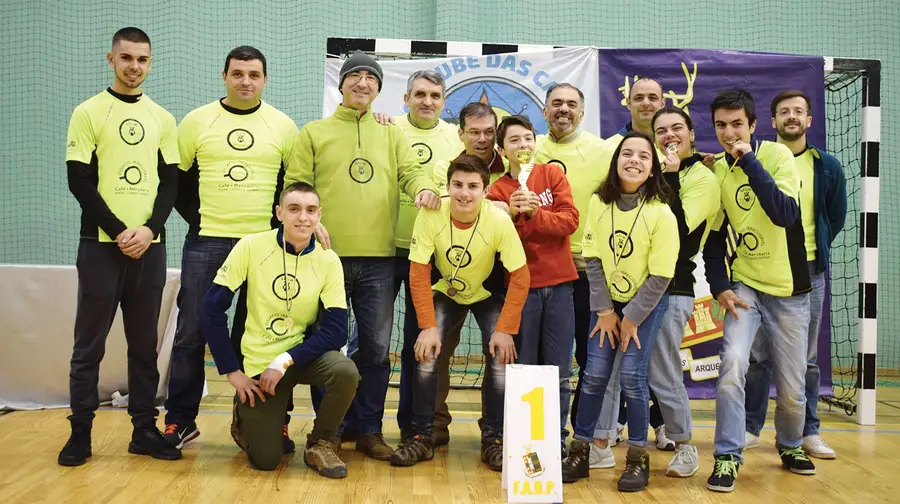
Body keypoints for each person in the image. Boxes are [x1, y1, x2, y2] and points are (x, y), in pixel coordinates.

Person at [285, 51, 440, 461]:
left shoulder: (391, 133)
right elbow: (296, 185)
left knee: (374, 349)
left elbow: (411, 172)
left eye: (371, 78)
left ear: (378, 88)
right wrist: (307, 221)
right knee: (325, 349)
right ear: (341, 84)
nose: (363, 83)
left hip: (378, 262)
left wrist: (423, 188)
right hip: (324, 259)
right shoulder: (313, 132)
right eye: (354, 76)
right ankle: (328, 431)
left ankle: (370, 430)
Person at [164, 46, 302, 452]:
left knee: (263, 336)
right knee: (191, 332)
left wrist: (274, 231)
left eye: (254, 74)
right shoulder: (196, 121)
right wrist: (200, 219)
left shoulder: (282, 126)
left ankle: (264, 423)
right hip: (206, 242)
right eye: (238, 73)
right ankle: (180, 422)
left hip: (263, 246)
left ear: (265, 79)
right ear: (224, 75)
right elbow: (177, 181)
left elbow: (289, 188)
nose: (246, 81)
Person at [60, 26, 181, 466]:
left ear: (150, 63)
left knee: (143, 346)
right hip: (99, 246)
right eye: (126, 58)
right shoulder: (88, 112)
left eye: (142, 60)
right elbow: (80, 181)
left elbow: (171, 186)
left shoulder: (163, 119)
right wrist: (117, 230)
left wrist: (148, 229)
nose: (134, 67)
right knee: (87, 344)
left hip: (150, 248)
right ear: (111, 59)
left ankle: (144, 431)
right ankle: (80, 435)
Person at [201, 182, 359, 477]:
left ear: (319, 215)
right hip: (259, 361)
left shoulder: (328, 260)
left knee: (346, 371)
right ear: (279, 213)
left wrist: (284, 360)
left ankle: (320, 443)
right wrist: (233, 373)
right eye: (294, 209)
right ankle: (245, 418)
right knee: (266, 460)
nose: (303, 217)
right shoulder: (251, 245)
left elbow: (337, 331)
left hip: (298, 358)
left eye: (311, 210)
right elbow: (211, 308)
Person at [703, 88, 815, 493]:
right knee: (732, 363)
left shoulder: (776, 156)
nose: (729, 133)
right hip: (746, 286)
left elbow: (785, 213)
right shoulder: (717, 171)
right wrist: (719, 288)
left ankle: (789, 444)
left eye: (737, 124)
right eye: (721, 125)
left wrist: (747, 159)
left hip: (789, 290)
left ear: (752, 125)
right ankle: (729, 455)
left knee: (791, 383)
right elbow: (714, 241)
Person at [389, 154, 530, 470]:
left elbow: (521, 276)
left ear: (485, 189)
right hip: (446, 291)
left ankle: (493, 439)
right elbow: (418, 272)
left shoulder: (498, 220)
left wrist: (506, 328)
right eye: (458, 185)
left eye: (472, 186)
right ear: (448, 186)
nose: (464, 193)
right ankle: (422, 437)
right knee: (426, 353)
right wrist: (427, 325)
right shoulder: (430, 214)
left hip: (487, 293)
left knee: (500, 357)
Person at [561, 131, 677, 493]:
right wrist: (607, 311)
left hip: (644, 305)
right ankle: (580, 451)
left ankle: (637, 458)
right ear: (616, 161)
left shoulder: (661, 212)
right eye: (627, 153)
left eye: (644, 156)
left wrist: (631, 318)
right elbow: (592, 258)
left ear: (653, 167)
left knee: (631, 377)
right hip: (608, 306)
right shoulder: (599, 202)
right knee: (594, 374)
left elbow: (661, 276)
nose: (634, 160)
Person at [743, 90, 847, 459]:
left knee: (806, 360)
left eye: (798, 112)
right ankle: (750, 427)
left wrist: (808, 251)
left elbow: (834, 217)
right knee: (757, 356)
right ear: (771, 122)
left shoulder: (827, 166)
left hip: (807, 273)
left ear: (809, 120)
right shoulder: (761, 159)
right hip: (759, 269)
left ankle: (808, 432)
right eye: (784, 112)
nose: (791, 117)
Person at [487, 115, 579, 451]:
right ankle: (524, 439)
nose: (523, 145)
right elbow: (497, 244)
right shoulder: (497, 190)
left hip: (560, 287)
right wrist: (509, 215)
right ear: (502, 149)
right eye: (514, 141)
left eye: (528, 138)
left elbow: (570, 221)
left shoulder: (552, 175)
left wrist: (537, 213)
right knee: (523, 369)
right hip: (521, 289)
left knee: (558, 370)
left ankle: (556, 440)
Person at [532, 82, 613, 462]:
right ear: (544, 110)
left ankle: (582, 435)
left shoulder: (603, 150)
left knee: (591, 358)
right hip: (541, 273)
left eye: (571, 104)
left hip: (590, 271)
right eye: (556, 104)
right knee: (545, 360)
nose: (563, 110)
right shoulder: (527, 149)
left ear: (582, 112)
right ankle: (540, 435)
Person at [597, 77, 672, 455]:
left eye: (652, 98)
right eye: (638, 97)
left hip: (657, 287)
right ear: (627, 102)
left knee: (646, 371)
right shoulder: (611, 147)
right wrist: (609, 308)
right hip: (611, 290)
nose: (645, 103)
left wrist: (633, 314)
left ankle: (661, 432)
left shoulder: (677, 150)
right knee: (604, 372)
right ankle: (599, 438)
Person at [392, 70, 465, 447]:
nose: (427, 101)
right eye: (419, 94)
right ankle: (359, 422)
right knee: (369, 342)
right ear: (405, 99)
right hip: (387, 249)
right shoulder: (387, 129)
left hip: (433, 254)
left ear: (444, 102)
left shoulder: (455, 138)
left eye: (435, 95)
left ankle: (415, 423)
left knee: (419, 343)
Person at [650, 106, 722, 477]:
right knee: (614, 371)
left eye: (677, 128)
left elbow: (680, 237)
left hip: (673, 287)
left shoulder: (701, 178)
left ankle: (684, 445)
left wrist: (674, 176)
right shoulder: (647, 171)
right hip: (632, 287)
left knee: (662, 370)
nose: (669, 136)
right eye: (661, 130)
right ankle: (602, 443)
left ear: (692, 134)